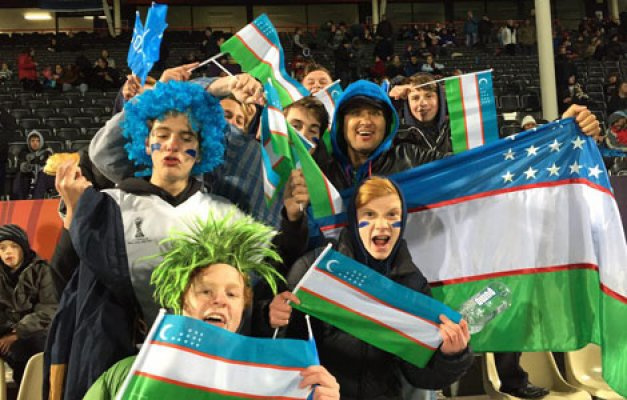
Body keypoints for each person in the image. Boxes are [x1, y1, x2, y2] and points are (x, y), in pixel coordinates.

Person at [45, 80, 308, 400]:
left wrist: (292, 219)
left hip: (202, 376)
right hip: (119, 373)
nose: (172, 146)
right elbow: (66, 279)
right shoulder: (107, 207)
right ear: (145, 143)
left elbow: (256, 284)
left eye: (186, 138)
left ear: (202, 149)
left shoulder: (225, 215)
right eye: (162, 135)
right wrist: (76, 215)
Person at [83, 213, 340, 400]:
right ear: (181, 301)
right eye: (205, 291)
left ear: (243, 309)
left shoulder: (271, 380)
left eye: (232, 294)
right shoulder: (130, 373)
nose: (219, 301)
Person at [267, 176, 473, 400]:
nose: (382, 225)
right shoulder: (316, 269)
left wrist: (452, 356)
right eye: (369, 214)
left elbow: (419, 376)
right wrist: (272, 318)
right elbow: (281, 352)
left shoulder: (412, 284)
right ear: (354, 220)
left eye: (392, 215)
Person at [0, 224, 58, 384]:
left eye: (13, 246)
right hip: (5, 332)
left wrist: (17, 333)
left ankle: (29, 391)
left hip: (33, 334)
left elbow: (49, 310)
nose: (8, 252)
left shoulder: (42, 271)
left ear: (23, 248)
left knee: (25, 350)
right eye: (2, 248)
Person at [12, 130, 55, 200]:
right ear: (29, 142)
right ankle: (20, 200)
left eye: (38, 141)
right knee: (21, 175)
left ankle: (36, 200)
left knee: (42, 175)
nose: (35, 143)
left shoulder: (47, 151)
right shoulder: (24, 152)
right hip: (30, 175)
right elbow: (22, 166)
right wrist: (30, 165)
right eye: (33, 141)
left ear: (41, 142)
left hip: (45, 177)